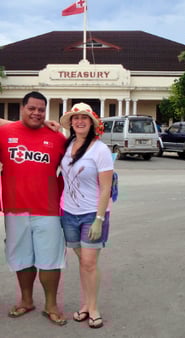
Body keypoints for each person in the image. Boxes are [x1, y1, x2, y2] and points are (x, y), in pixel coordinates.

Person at [0, 91, 68, 326]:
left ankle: (51, 305)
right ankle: (26, 301)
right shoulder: (4, 132)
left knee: (50, 260)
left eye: (41, 109)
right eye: (32, 108)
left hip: (48, 210)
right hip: (14, 209)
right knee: (22, 258)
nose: (37, 113)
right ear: (22, 108)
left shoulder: (57, 138)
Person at [58, 103, 114, 329]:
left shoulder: (100, 150)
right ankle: (85, 304)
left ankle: (93, 307)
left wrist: (99, 219)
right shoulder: (68, 144)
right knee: (83, 263)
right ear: (71, 123)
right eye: (75, 118)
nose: (79, 121)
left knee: (90, 263)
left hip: (92, 214)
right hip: (69, 213)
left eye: (84, 118)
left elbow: (106, 188)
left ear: (92, 123)